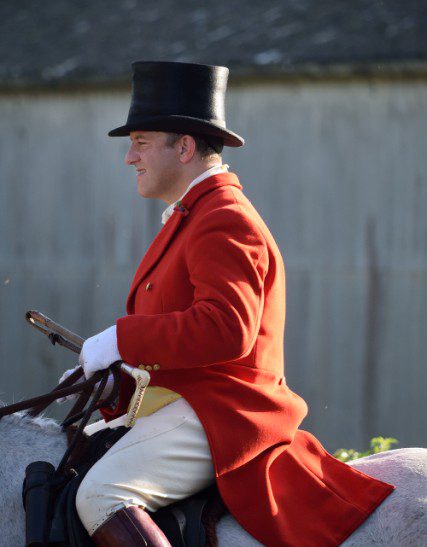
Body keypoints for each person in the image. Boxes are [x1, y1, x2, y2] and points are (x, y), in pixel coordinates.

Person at [61, 61, 395, 546]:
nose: (129, 158)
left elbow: (225, 328)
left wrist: (120, 339)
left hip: (224, 410)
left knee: (101, 494)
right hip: (185, 401)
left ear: (185, 146)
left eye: (141, 142)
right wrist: (115, 368)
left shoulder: (222, 217)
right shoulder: (193, 214)